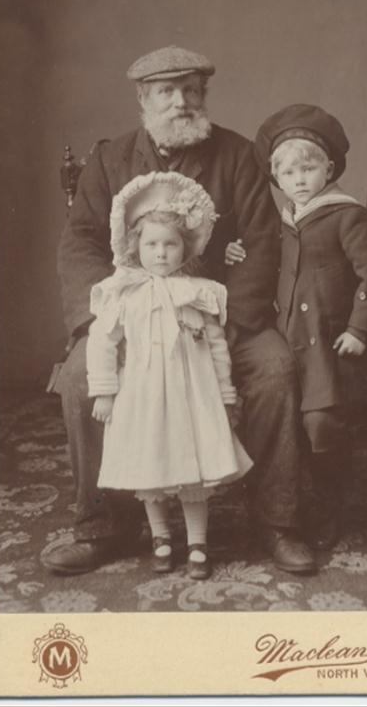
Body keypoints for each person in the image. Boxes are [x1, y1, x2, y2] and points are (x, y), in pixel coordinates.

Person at [42, 46, 316, 575]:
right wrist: (106, 320)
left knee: (275, 367)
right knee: (81, 377)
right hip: (133, 314)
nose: (181, 103)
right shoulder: (110, 160)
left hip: (213, 314)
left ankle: (278, 521)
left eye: (191, 90)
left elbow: (262, 242)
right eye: (166, 92)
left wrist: (225, 321)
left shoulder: (236, 156)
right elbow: (79, 243)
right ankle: (103, 526)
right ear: (143, 99)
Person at [226, 104, 367, 550]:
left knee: (323, 423)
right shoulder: (279, 221)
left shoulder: (346, 216)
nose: (300, 179)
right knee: (288, 421)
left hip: (328, 341)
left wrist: (360, 329)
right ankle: (285, 502)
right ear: (276, 179)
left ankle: (330, 502)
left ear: (329, 168)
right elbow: (265, 258)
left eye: (310, 167)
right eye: (288, 172)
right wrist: (236, 254)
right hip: (286, 338)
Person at [87, 171, 252, 579]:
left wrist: (226, 393)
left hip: (191, 393)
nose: (161, 253)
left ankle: (198, 543)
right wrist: (105, 391)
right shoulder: (122, 293)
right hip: (142, 393)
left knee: (193, 468)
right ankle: (161, 536)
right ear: (135, 247)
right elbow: (103, 341)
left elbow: (216, 344)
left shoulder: (197, 292)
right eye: (151, 244)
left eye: (170, 245)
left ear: (185, 249)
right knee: (151, 465)